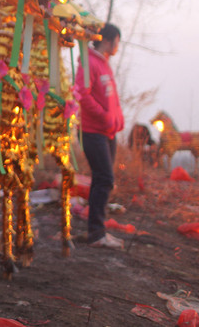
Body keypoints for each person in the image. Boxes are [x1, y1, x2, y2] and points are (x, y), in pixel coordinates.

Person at [75, 23, 125, 249]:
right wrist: (105, 117)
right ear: (109, 40)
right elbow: (82, 94)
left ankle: (98, 231)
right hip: (92, 131)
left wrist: (117, 120)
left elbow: (110, 98)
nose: (117, 46)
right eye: (117, 41)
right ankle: (97, 233)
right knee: (105, 178)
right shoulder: (88, 63)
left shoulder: (104, 64)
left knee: (102, 179)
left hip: (107, 132)